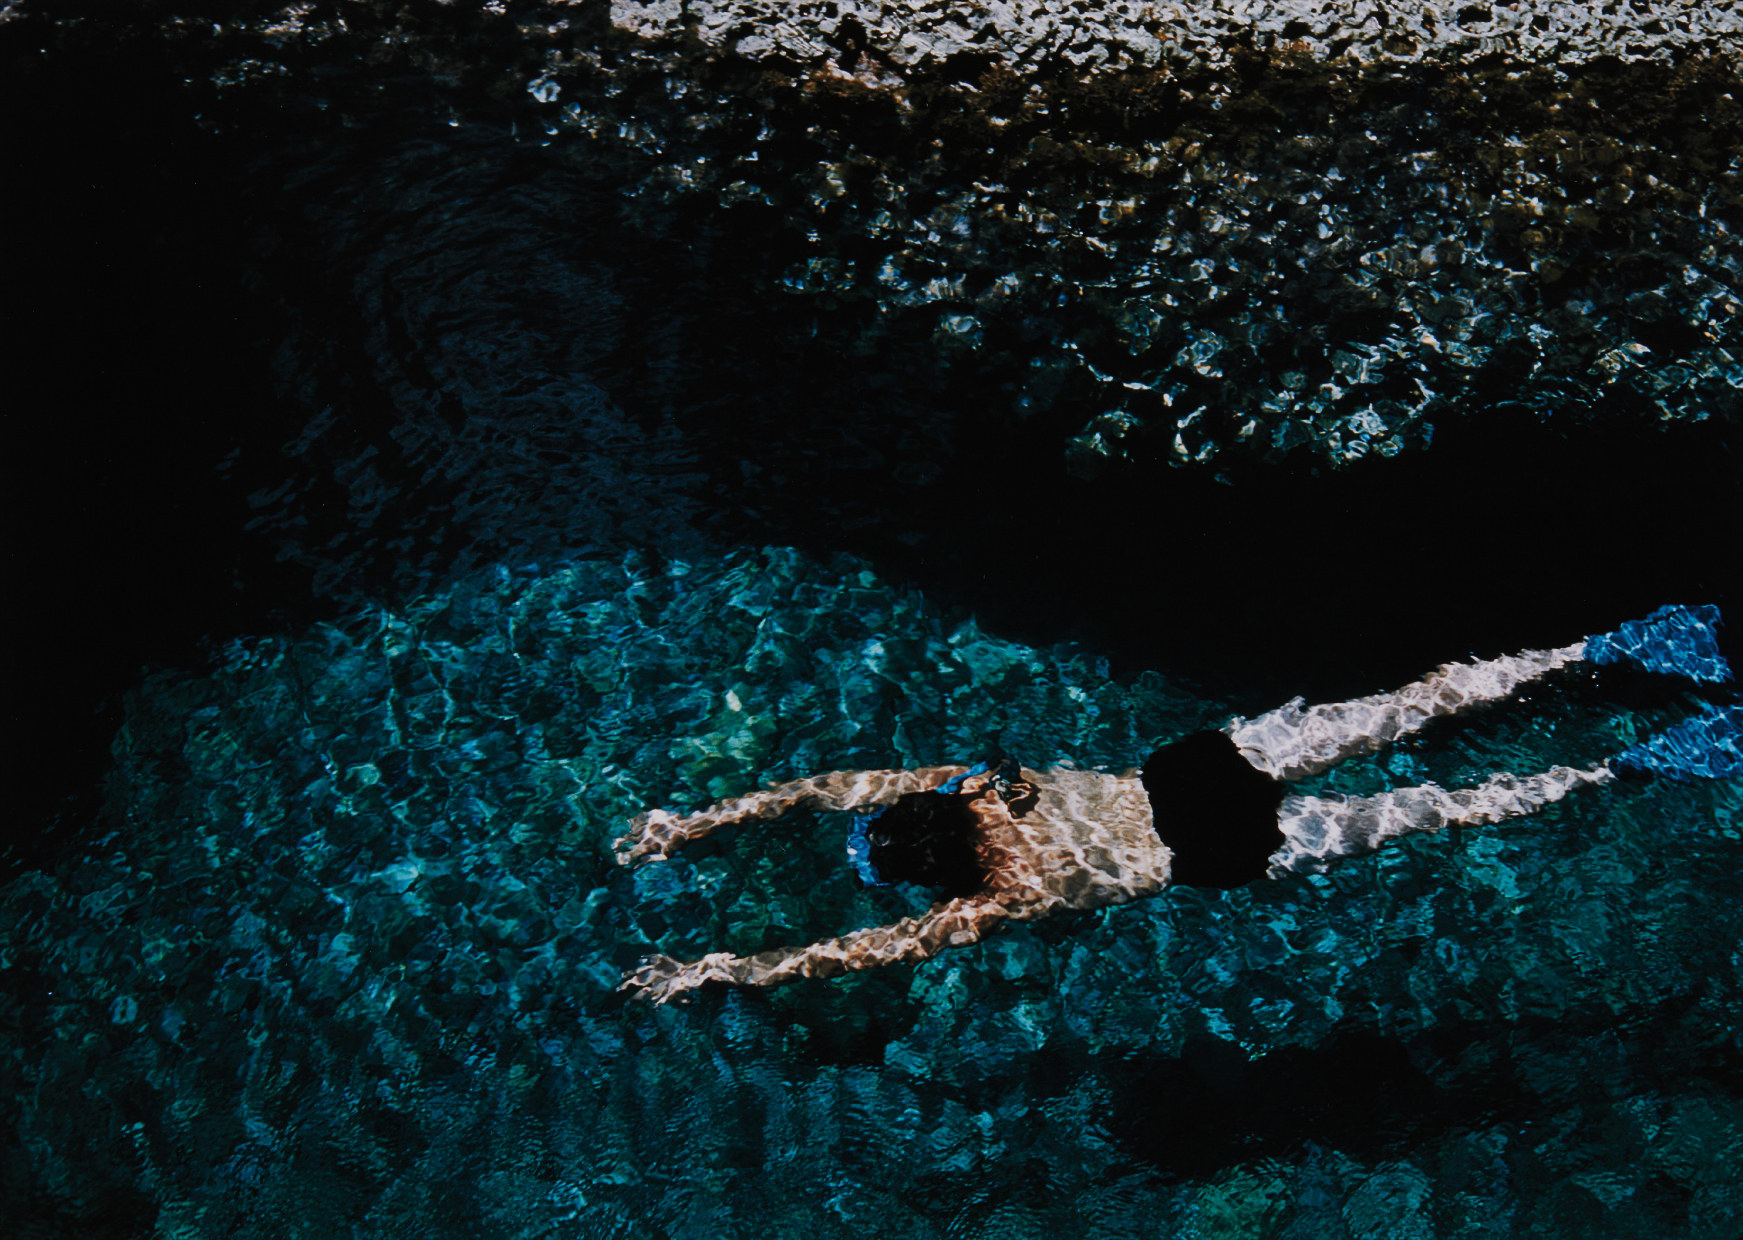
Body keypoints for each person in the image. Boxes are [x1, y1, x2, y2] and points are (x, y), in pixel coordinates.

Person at [614, 605, 1739, 1003]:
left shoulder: (993, 900)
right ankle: (1609, 642)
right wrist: (695, 820)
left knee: (1453, 805)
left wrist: (723, 969)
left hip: (1215, 850)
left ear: (930, 867)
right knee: (1411, 704)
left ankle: (1629, 766)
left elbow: (855, 950)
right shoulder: (970, 783)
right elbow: (820, 788)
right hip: (1194, 769)